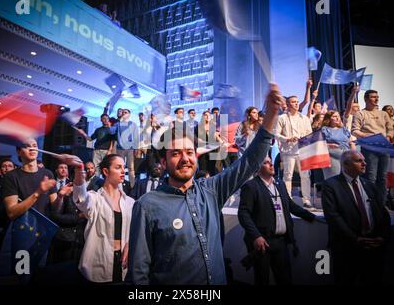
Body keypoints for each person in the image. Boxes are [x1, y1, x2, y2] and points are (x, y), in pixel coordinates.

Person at [125, 84, 284, 285]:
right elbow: (138, 276)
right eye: (176, 153)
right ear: (163, 162)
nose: (185, 159)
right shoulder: (147, 206)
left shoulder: (211, 190)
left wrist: (270, 115)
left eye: (189, 152)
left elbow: (250, 161)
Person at [238, 156, 316, 285]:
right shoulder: (251, 186)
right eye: (266, 163)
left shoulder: (280, 184)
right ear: (257, 168)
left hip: (281, 242)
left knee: (285, 279)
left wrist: (311, 217)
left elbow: (290, 205)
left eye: (270, 162)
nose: (271, 165)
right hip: (263, 243)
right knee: (262, 279)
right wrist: (256, 236)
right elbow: (243, 213)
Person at [321, 150, 391, 285]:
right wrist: (356, 239)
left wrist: (382, 237)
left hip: (373, 249)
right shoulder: (330, 185)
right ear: (345, 165)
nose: (364, 164)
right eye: (359, 161)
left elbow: (382, 214)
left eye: (364, 160)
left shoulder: (369, 185)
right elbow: (333, 217)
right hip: (347, 249)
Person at [69, 154, 135, 283]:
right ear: (105, 171)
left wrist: (129, 244)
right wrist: (79, 170)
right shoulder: (95, 198)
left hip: (123, 263)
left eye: (124, 167)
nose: (123, 171)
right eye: (118, 167)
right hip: (98, 261)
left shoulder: (130, 202)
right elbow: (81, 199)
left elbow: (133, 230)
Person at [352, 90, 394, 200]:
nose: (376, 99)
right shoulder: (360, 114)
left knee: (383, 177)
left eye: (377, 97)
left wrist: (388, 137)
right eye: (373, 97)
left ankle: (381, 204)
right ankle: (370, 202)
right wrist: (369, 137)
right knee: (371, 177)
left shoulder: (383, 114)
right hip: (369, 148)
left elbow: (390, 129)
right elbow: (355, 131)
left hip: (383, 147)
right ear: (366, 99)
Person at [3, 139, 58, 220]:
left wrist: (60, 196)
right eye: (26, 146)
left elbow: (55, 208)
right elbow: (11, 213)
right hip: (24, 227)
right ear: (18, 152)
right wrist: (38, 192)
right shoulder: (11, 176)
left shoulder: (47, 174)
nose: (32, 149)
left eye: (34, 146)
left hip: (45, 226)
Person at [275, 95, 313, 208]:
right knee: (288, 175)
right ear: (287, 104)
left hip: (302, 150)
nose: (296, 104)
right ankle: (288, 199)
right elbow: (276, 133)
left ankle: (306, 200)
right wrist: (287, 139)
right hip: (288, 150)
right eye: (293, 102)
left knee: (305, 176)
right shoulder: (282, 118)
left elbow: (309, 133)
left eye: (297, 101)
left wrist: (304, 138)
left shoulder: (304, 118)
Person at [321, 111, 354, 179]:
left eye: (338, 116)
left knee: (348, 179)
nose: (337, 118)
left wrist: (354, 155)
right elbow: (319, 144)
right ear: (329, 118)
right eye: (334, 116)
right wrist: (329, 145)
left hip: (346, 156)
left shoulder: (344, 129)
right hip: (332, 157)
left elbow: (351, 142)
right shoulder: (325, 129)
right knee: (334, 179)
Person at [111, 109, 139, 187]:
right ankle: (119, 186)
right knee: (119, 167)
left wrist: (136, 148)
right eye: (123, 113)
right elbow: (111, 131)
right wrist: (116, 122)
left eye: (125, 112)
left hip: (130, 149)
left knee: (131, 168)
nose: (124, 114)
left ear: (129, 114)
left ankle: (132, 186)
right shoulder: (118, 124)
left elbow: (136, 137)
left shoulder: (132, 124)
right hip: (120, 149)